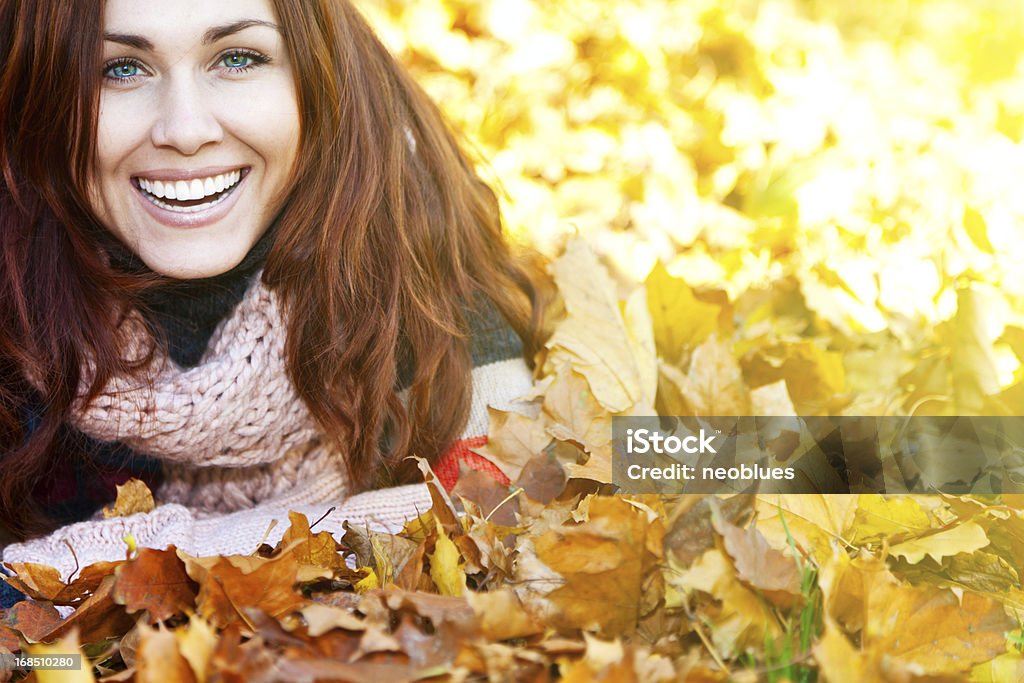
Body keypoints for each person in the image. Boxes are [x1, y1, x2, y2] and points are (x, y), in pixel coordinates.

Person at [0, 0, 544, 597]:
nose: (184, 130)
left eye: (237, 57)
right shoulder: (16, 295)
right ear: (39, 93)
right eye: (120, 69)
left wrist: (110, 567)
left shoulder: (414, 257)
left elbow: (509, 511)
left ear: (319, 76)